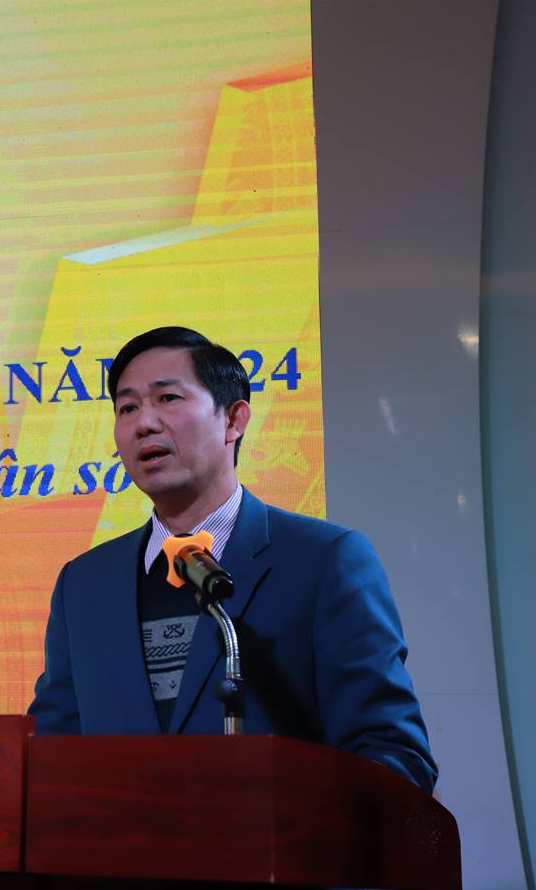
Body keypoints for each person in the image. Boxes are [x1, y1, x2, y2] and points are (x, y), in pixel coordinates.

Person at [28, 326, 436, 795]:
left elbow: (392, 753)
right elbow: (49, 755)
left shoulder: (324, 561)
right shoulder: (84, 584)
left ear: (234, 420)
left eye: (168, 399)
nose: (144, 423)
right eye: (128, 408)